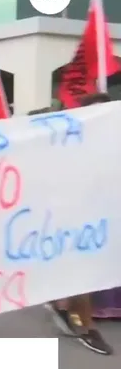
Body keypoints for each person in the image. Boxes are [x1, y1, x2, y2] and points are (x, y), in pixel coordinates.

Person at [43, 93, 113, 353]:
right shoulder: (70, 140)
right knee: (83, 270)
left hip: (104, 212)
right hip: (74, 214)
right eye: (98, 109)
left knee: (85, 270)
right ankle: (87, 328)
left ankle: (61, 305)